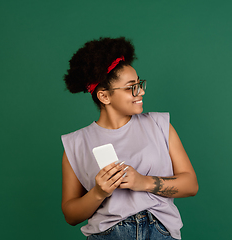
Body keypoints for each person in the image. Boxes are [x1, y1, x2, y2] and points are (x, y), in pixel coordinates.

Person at [61, 37, 198, 240]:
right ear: (104, 96)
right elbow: (71, 215)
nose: (141, 91)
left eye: (139, 83)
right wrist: (98, 193)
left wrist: (143, 182)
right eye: (131, 87)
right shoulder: (76, 144)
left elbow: (191, 185)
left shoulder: (159, 125)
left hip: (160, 232)